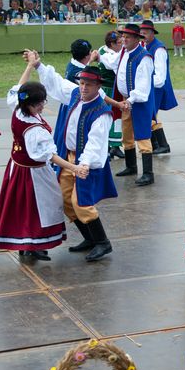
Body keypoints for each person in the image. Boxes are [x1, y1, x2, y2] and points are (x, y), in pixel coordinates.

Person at [29, 52, 119, 262]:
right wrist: (39, 66)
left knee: (81, 202)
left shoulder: (102, 112)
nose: (83, 87)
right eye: (82, 83)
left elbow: (95, 143)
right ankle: (89, 238)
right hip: (68, 158)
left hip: (87, 162)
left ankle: (103, 242)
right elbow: (57, 83)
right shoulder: (75, 94)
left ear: (98, 87)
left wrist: (83, 164)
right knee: (65, 199)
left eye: (88, 84)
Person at [0, 64, 86, 261]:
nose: (43, 106)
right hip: (33, 174)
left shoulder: (18, 108)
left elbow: (19, 87)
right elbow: (50, 156)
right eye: (40, 103)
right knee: (37, 207)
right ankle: (32, 244)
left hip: (16, 168)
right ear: (31, 105)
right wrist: (74, 168)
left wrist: (29, 66)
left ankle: (26, 246)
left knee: (22, 207)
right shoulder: (35, 130)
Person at [100, 24, 156, 186]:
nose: (124, 39)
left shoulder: (144, 58)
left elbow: (143, 88)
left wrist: (129, 101)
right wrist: (100, 57)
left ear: (137, 39)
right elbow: (113, 63)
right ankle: (131, 166)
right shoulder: (124, 51)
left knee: (143, 135)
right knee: (126, 134)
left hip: (139, 102)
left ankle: (148, 173)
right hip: (126, 100)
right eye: (123, 36)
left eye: (128, 37)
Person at [53, 39, 96, 168]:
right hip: (73, 107)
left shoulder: (72, 65)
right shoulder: (79, 73)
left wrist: (90, 60)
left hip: (66, 105)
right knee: (73, 136)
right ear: (87, 55)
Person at [141, 20, 178, 155]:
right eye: (141, 33)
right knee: (151, 115)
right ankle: (157, 144)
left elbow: (160, 76)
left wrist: (147, 83)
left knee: (151, 115)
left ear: (152, 33)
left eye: (145, 33)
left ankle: (162, 144)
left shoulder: (159, 49)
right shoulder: (146, 46)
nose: (142, 36)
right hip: (151, 86)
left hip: (157, 87)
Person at [98, 31, 124, 159]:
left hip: (110, 89)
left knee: (114, 118)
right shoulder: (110, 55)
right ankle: (113, 146)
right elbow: (117, 69)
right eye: (119, 43)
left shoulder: (102, 50)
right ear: (112, 44)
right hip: (110, 90)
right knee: (113, 118)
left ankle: (113, 146)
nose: (122, 44)